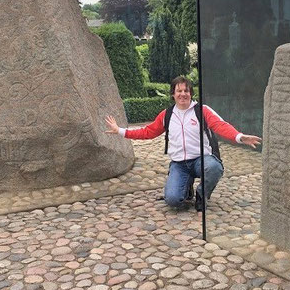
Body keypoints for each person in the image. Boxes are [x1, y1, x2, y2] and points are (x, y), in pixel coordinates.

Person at [105, 76, 261, 211]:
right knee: (173, 200)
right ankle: (186, 190)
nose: (183, 94)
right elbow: (148, 132)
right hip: (179, 164)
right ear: (173, 94)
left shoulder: (202, 111)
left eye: (186, 91)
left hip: (201, 160)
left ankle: (202, 194)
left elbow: (220, 125)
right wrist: (120, 131)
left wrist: (239, 137)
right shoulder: (166, 115)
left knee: (214, 167)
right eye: (179, 91)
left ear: (191, 93)